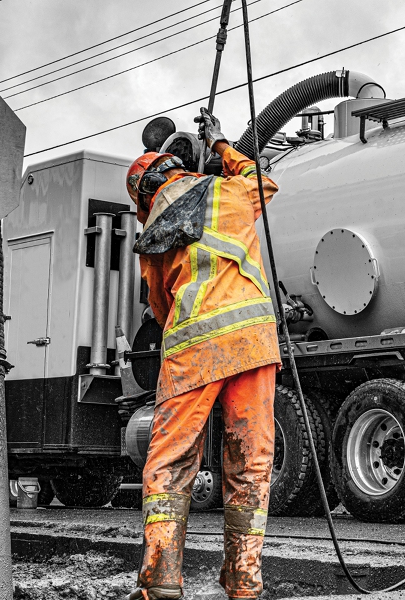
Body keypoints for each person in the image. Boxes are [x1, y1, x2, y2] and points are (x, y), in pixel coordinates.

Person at [125, 108, 280, 600]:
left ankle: (162, 583)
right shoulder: (230, 193)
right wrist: (220, 146)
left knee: (170, 462)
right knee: (250, 464)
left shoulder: (152, 239)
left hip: (193, 350)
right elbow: (265, 184)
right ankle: (243, 582)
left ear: (145, 199)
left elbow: (159, 306)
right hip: (254, 345)